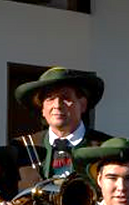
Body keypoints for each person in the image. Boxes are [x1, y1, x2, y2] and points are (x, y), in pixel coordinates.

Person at [9, 66, 110, 195]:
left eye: (66, 98)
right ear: (42, 109)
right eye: (50, 98)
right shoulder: (21, 148)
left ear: (83, 105)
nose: (57, 105)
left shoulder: (105, 148)